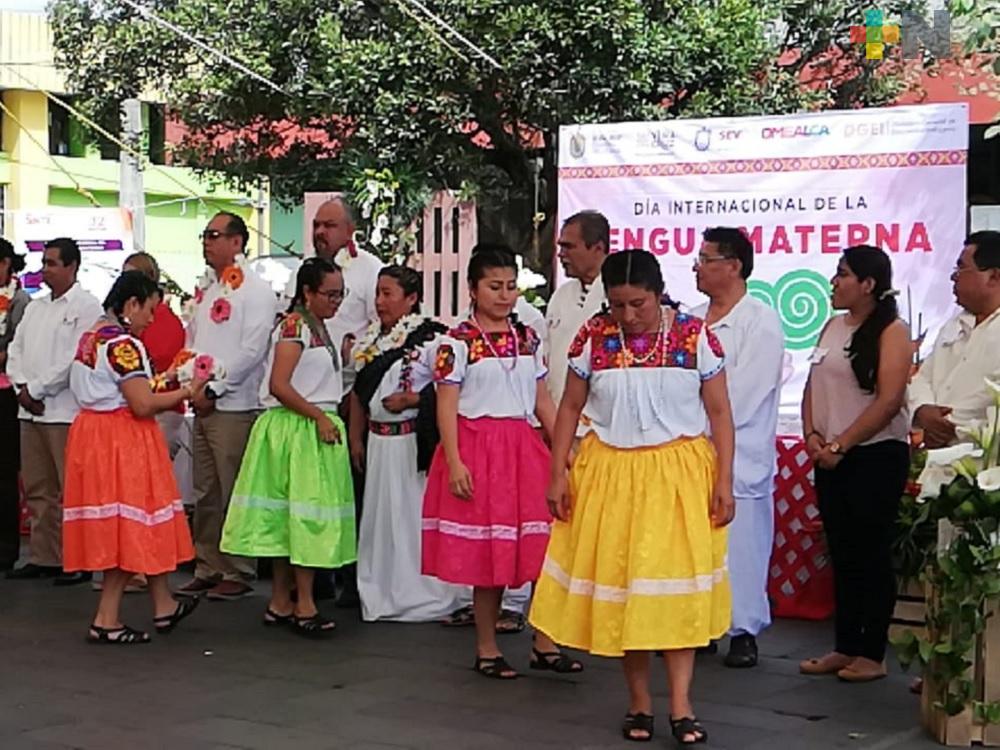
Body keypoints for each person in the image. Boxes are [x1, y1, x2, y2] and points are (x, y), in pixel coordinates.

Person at [530, 249, 736, 744]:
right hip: (612, 474)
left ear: (658, 292)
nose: (627, 316)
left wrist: (724, 481)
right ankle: (639, 703)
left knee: (674, 591)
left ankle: (682, 706)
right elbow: (570, 407)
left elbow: (721, 414)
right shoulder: (593, 337)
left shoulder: (693, 336)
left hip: (677, 476)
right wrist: (558, 473)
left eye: (638, 304)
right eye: (617, 305)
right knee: (630, 591)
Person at [422, 246, 582, 679]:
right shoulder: (455, 343)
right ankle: (487, 647)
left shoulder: (526, 337)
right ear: (473, 289)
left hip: (522, 447)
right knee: (488, 553)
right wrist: (455, 462)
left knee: (541, 545)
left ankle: (544, 640)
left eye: (511, 286)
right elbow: (447, 406)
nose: (505, 296)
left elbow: (542, 400)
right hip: (478, 447)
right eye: (495, 287)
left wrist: (563, 451)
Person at [62, 271, 203, 643]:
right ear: (131, 305)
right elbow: (141, 404)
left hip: (93, 435)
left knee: (140, 520)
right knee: (130, 525)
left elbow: (123, 388)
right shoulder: (124, 345)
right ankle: (106, 618)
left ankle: (163, 605)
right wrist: (187, 390)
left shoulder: (92, 336)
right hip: (121, 441)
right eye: (150, 310)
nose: (152, 319)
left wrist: (166, 378)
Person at [220, 257, 356, 636]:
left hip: (305, 424)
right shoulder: (295, 326)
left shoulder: (318, 327)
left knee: (290, 517)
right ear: (307, 292)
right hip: (298, 427)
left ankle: (282, 600)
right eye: (330, 294)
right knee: (303, 517)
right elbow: (280, 384)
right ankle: (303, 602)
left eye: (340, 294)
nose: (337, 301)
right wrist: (318, 416)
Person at [800, 245, 911, 683]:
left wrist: (842, 443)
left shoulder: (892, 330)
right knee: (841, 550)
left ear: (868, 284)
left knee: (871, 552)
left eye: (843, 275)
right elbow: (812, 384)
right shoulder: (831, 326)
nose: (834, 282)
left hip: (873, 455)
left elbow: (888, 401)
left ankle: (872, 652)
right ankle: (844, 645)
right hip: (829, 455)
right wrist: (812, 435)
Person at [693, 227, 784, 669]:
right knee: (696, 544)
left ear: (733, 266)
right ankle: (702, 624)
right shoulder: (691, 320)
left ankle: (743, 629)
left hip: (741, 454)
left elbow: (745, 394)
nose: (698, 266)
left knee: (743, 546)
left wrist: (701, 421)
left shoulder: (760, 321)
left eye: (706, 258)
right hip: (690, 454)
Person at [349, 265, 462, 622]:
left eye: (388, 294)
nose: (380, 302)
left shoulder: (431, 339)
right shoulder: (369, 342)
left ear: (411, 299)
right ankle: (380, 588)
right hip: (379, 444)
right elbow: (358, 393)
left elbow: (450, 388)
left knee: (411, 519)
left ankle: (421, 591)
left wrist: (413, 401)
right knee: (380, 520)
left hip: (412, 443)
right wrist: (355, 437)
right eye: (378, 293)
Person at [177, 213, 276, 601]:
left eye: (215, 235)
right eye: (205, 236)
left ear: (237, 242)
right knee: (205, 491)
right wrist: (191, 386)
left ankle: (239, 568)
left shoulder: (256, 291)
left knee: (235, 488)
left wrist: (215, 388)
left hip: (234, 404)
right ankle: (208, 564)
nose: (207, 242)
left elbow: (252, 350)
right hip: (201, 402)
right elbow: (195, 345)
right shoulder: (207, 290)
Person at [6, 238, 102, 584]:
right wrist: (21, 387)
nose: (45, 268)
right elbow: (15, 350)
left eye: (52, 263)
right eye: (43, 262)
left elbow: (74, 358)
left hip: (63, 410)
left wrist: (37, 388)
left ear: (72, 266)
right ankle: (46, 556)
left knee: (70, 489)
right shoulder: (36, 307)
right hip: (30, 410)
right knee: (37, 487)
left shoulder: (87, 306)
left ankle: (76, 560)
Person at [910, 231, 1000, 448]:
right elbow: (922, 378)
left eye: (961, 268)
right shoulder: (954, 323)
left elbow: (991, 395)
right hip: (939, 459)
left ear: (994, 277)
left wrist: (945, 425)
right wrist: (923, 410)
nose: (954, 276)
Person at [122, 252, 186, 457]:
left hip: (160, 410)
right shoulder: (129, 318)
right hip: (140, 406)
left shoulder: (163, 319)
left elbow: (156, 368)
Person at [545, 210, 609, 408]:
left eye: (569, 247)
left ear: (598, 248)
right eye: (561, 247)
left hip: (601, 425)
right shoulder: (561, 295)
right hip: (558, 416)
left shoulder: (619, 296)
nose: (561, 254)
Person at [0, 240, 31, 571]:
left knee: (5, 473)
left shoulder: (20, 301)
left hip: (6, 394)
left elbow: (16, 347)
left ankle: (7, 546)